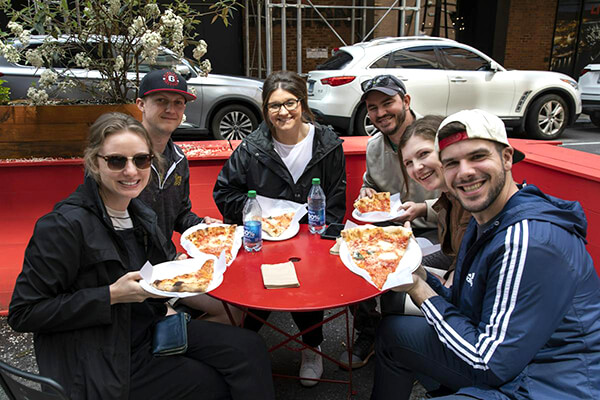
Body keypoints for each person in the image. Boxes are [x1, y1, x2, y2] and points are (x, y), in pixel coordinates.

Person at [7, 113, 276, 400]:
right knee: (211, 384)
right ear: (94, 163)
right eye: (116, 161)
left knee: (249, 347)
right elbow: (24, 313)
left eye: (141, 160)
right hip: (100, 353)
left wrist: (178, 268)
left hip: (145, 326)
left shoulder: (138, 213)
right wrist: (110, 295)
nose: (131, 171)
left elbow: (152, 273)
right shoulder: (63, 226)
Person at [371, 109, 600, 399]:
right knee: (392, 332)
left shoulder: (527, 240)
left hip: (549, 381)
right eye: (452, 162)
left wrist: (419, 289)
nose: (465, 171)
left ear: (507, 158)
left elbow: (489, 364)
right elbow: (467, 304)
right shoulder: (485, 219)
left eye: (477, 156)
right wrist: (421, 274)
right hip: (513, 362)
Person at [213, 70, 346, 387]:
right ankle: (242, 350)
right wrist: (261, 212)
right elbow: (224, 192)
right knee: (258, 296)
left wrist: (324, 243)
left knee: (307, 285)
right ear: (265, 109)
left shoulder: (328, 144)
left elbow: (336, 199)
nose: (283, 112)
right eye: (274, 105)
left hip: (310, 239)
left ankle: (312, 348)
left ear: (302, 103)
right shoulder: (252, 147)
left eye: (290, 103)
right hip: (264, 239)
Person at [341, 74, 439, 369]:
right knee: (349, 259)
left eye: (387, 103)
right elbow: (370, 184)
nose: (381, 113)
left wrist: (423, 209)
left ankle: (407, 345)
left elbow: (461, 200)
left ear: (405, 100)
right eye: (373, 108)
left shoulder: (433, 136)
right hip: (391, 229)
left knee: (396, 270)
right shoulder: (374, 146)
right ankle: (370, 332)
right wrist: (366, 192)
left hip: (435, 230)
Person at [135, 69, 239, 325]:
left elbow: (180, 214)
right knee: (230, 314)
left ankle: (179, 333)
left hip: (167, 264)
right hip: (134, 272)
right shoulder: (123, 161)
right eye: (161, 100)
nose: (170, 109)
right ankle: (169, 334)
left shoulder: (178, 159)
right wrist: (170, 257)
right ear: (140, 104)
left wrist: (203, 226)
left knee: (234, 308)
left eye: (178, 102)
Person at [399, 115, 472, 287]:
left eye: (424, 154)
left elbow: (457, 286)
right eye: (408, 163)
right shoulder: (449, 195)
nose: (417, 167)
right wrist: (421, 208)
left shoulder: (473, 202)